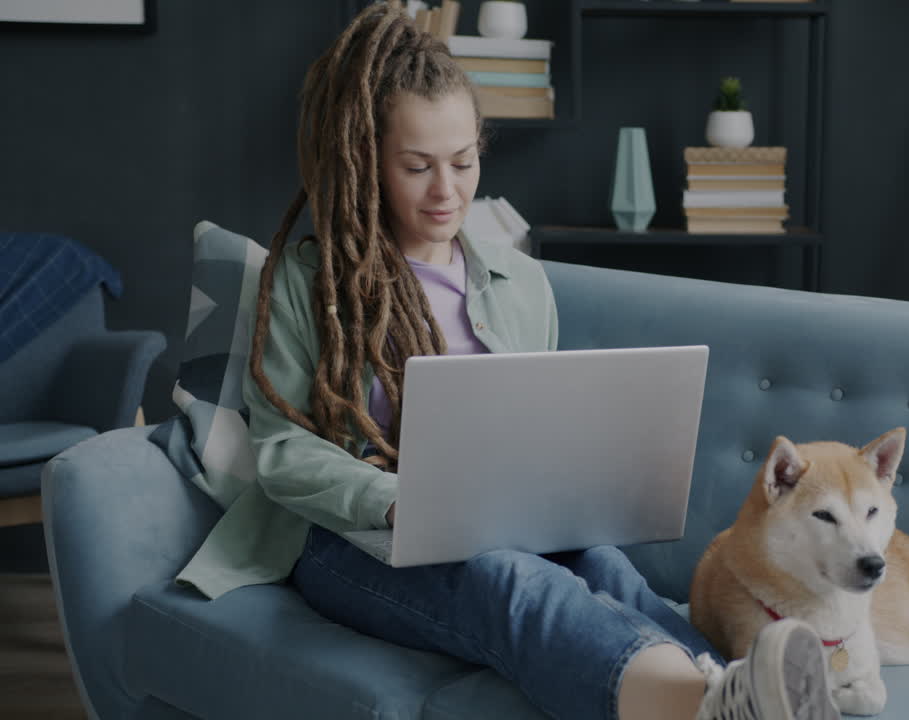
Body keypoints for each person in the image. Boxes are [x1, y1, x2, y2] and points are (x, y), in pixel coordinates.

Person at [178, 3, 839, 719]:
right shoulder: (311, 280)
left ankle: (735, 687)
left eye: (463, 163)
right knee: (506, 581)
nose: (446, 190)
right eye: (416, 167)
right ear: (368, 160)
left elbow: (539, 428)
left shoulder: (518, 281)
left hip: (504, 520)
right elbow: (279, 452)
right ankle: (704, 708)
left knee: (606, 567)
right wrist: (399, 500)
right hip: (348, 540)